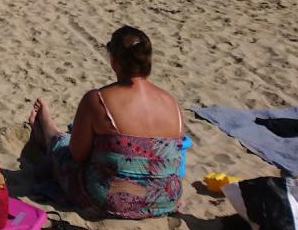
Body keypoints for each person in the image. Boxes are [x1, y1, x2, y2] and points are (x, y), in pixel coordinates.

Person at [26, 26, 184, 219]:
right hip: (167, 199)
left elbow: (77, 155)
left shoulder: (97, 100)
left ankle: (48, 130)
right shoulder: (172, 103)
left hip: (112, 201)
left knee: (63, 148)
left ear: (114, 62)